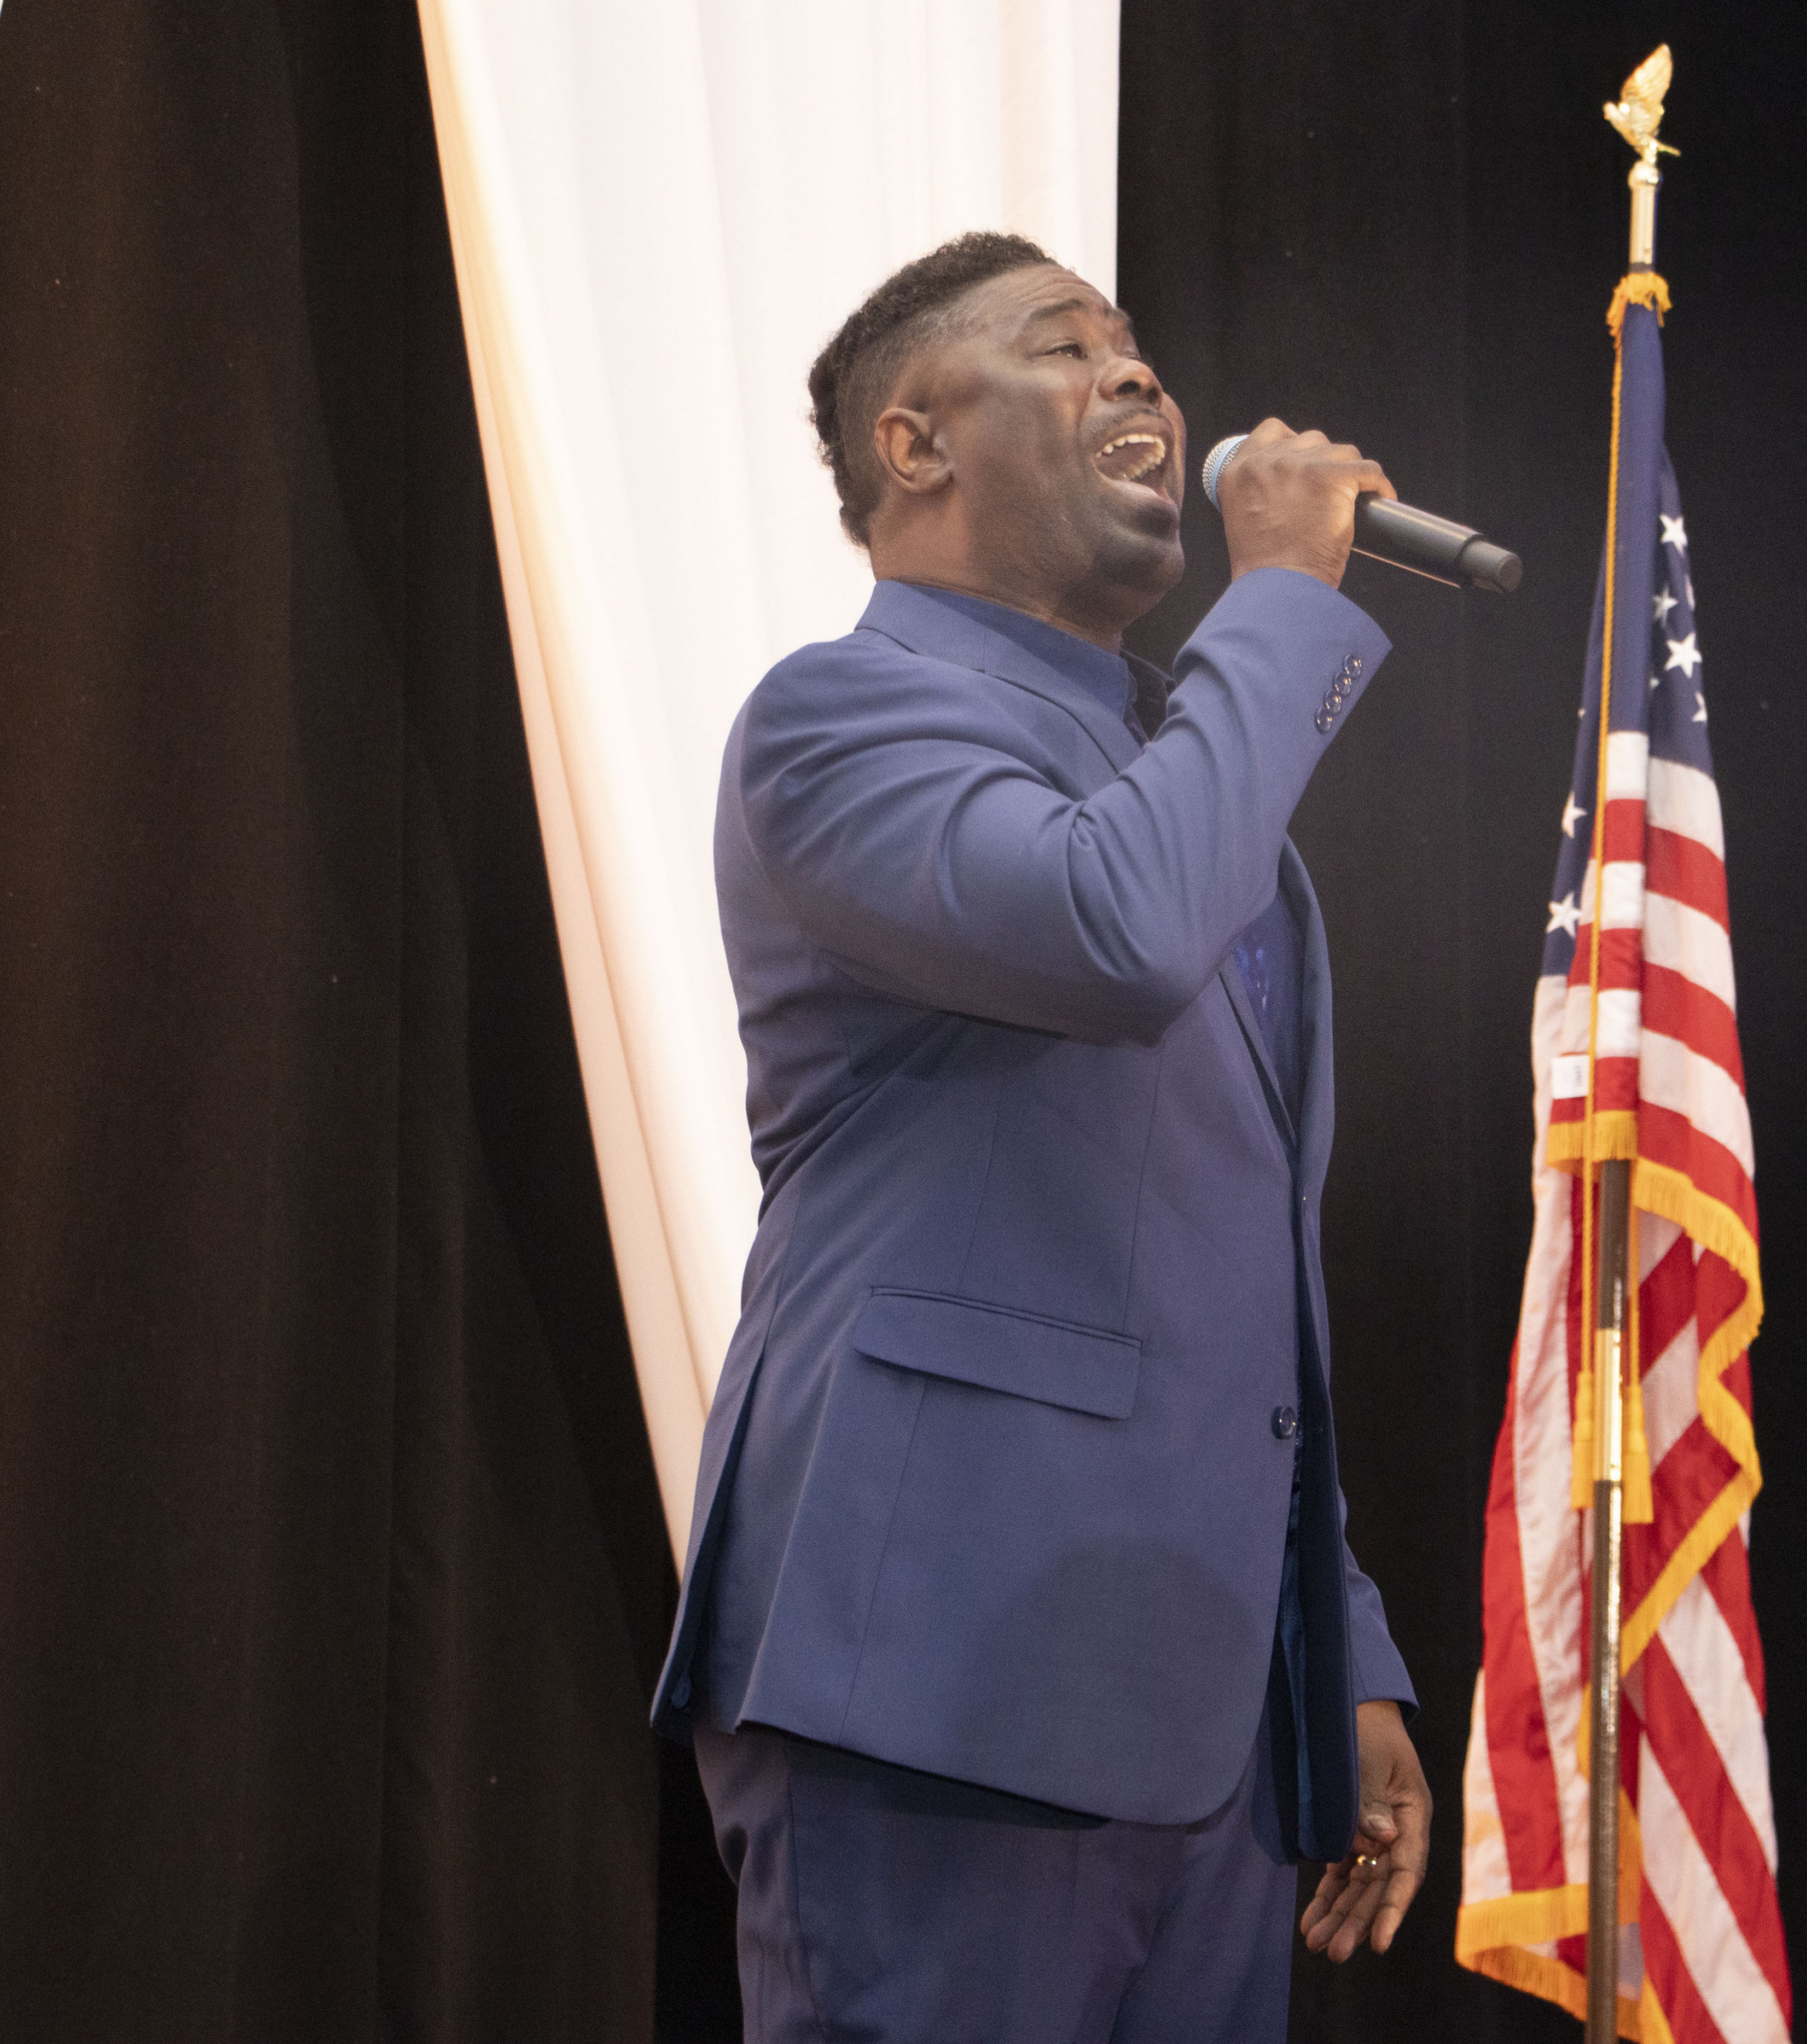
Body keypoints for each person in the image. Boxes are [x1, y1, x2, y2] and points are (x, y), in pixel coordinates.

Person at [649, 231, 1428, 2042]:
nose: (1138, 375)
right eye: (1068, 347)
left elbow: (1239, 1296)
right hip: (938, 1678)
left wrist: (1342, 1648)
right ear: (915, 444)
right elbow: (1115, 930)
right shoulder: (840, 715)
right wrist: (1283, 601)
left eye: (1137, 346)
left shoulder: (1188, 787)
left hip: (1209, 1720)